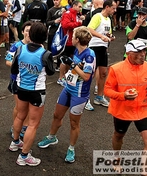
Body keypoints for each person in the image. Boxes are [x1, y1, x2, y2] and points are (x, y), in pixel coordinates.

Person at [37, 27, 95, 163]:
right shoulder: (77, 50)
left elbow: (86, 76)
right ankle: (51, 137)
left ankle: (71, 148)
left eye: (73, 36)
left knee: (74, 123)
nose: (71, 38)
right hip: (68, 88)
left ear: (78, 40)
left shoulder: (89, 55)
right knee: (57, 115)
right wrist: (69, 65)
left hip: (80, 93)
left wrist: (72, 65)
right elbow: (75, 69)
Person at [104, 40, 147, 154]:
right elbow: (107, 90)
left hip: (146, 108)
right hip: (123, 110)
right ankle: (116, 157)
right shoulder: (116, 69)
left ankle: (144, 172)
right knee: (118, 136)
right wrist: (123, 96)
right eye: (138, 51)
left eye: (144, 51)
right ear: (128, 54)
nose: (142, 54)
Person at [9, 22, 55, 167]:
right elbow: (51, 72)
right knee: (33, 124)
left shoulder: (20, 49)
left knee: (20, 116)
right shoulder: (45, 54)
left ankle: (15, 142)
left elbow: (14, 69)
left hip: (21, 88)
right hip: (37, 91)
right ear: (44, 36)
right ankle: (24, 156)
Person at [5, 21, 33, 140]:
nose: (29, 33)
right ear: (22, 32)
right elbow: (7, 61)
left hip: (30, 83)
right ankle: (15, 127)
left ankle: (24, 127)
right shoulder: (16, 46)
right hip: (16, 80)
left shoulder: (36, 47)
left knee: (27, 107)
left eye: (31, 31)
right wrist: (21, 67)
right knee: (19, 107)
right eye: (27, 30)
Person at [87, 0, 116, 108]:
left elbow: (108, 33)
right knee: (90, 74)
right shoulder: (97, 16)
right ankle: (85, 99)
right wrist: (101, 36)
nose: (114, 10)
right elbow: (89, 29)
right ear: (107, 7)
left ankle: (99, 97)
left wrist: (110, 37)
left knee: (103, 73)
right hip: (94, 47)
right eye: (113, 8)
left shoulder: (108, 19)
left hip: (103, 48)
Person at [57, 0, 84, 86]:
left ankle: (66, 76)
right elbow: (65, 25)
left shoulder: (77, 14)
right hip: (67, 41)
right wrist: (78, 23)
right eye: (79, 6)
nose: (80, 8)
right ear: (74, 6)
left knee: (71, 60)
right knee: (64, 59)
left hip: (74, 41)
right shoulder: (68, 14)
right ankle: (60, 78)